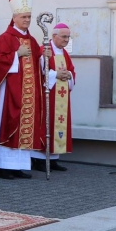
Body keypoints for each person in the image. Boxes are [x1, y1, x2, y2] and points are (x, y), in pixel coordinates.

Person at [0, 0, 51, 179]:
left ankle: (18, 166)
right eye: (23, 17)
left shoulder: (32, 40)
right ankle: (3, 166)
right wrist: (16, 55)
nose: (27, 20)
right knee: (10, 122)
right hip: (10, 92)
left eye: (29, 17)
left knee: (27, 126)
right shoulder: (5, 38)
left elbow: (39, 66)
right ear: (14, 17)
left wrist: (44, 58)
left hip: (29, 94)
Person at [31, 23, 75, 172]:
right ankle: (39, 159)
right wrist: (56, 74)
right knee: (46, 124)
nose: (66, 40)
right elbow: (38, 72)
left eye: (68, 37)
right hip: (47, 96)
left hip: (61, 96)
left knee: (58, 125)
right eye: (64, 36)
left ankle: (54, 159)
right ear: (54, 36)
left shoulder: (64, 53)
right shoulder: (45, 50)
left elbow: (72, 71)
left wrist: (68, 75)